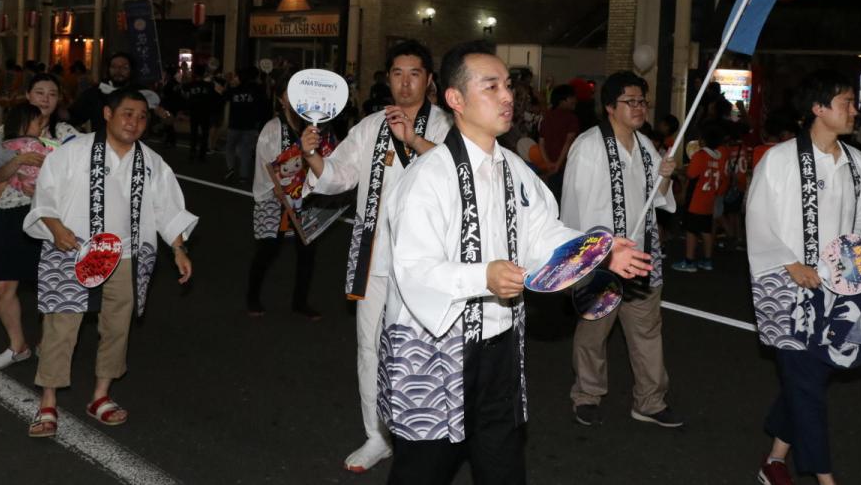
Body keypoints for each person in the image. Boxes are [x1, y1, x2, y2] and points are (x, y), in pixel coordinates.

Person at [377, 40, 652, 484]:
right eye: (492, 87)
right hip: (436, 349)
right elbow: (413, 270)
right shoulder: (426, 179)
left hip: (500, 344)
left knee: (502, 464)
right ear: (456, 99)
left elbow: (545, 233)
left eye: (507, 85)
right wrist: (483, 275)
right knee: (423, 469)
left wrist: (597, 250)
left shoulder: (515, 169)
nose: (508, 96)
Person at [300, 40, 451, 474]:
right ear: (388, 79)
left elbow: (459, 174)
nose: (405, 82)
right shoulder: (369, 127)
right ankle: (376, 435)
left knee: (425, 351)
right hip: (374, 256)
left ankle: (421, 433)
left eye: (415, 73)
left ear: (429, 80)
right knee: (370, 348)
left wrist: (415, 139)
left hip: (427, 263)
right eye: (398, 73)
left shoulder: (444, 126)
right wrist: (312, 153)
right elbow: (339, 176)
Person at [23, 89, 196, 438]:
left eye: (142, 116)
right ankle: (48, 400)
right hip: (74, 249)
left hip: (126, 255)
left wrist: (178, 248)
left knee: (117, 326)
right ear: (107, 113)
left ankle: (100, 396)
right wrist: (55, 228)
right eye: (127, 113)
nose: (135, 122)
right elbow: (46, 195)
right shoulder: (74, 151)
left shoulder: (151, 161)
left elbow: (167, 207)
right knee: (62, 324)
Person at [747, 70, 861, 485]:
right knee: (807, 384)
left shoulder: (856, 163)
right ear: (818, 109)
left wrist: (853, 254)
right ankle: (825, 478)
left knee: (813, 375)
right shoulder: (780, 159)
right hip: (786, 288)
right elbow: (757, 217)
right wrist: (789, 263)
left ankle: (774, 461)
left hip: (839, 288)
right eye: (845, 102)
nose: (854, 110)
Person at [561, 71, 682, 429]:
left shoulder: (645, 146)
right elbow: (572, 208)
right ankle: (587, 394)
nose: (639, 107)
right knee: (593, 333)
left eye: (642, 101)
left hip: (642, 256)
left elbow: (657, 200)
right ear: (610, 106)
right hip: (601, 259)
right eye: (631, 101)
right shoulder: (588, 146)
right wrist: (578, 262)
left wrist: (666, 174)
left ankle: (650, 400)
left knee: (647, 331)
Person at [0, 73, 81, 369]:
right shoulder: (7, 130)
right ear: (28, 95)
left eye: (52, 93)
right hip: (12, 209)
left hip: (52, 216)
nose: (45, 98)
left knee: (51, 285)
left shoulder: (66, 133)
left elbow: (80, 174)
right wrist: (20, 161)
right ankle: (17, 346)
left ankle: (50, 343)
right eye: (39, 92)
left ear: (59, 99)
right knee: (3, 286)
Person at [249, 74, 334, 319]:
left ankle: (300, 302)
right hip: (275, 197)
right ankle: (252, 296)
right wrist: (277, 189)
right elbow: (264, 165)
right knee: (268, 249)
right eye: (289, 93)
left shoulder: (315, 128)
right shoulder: (273, 128)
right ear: (281, 100)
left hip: (305, 198)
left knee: (307, 250)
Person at [672, 121, 727, 273]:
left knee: (691, 231)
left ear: (702, 140)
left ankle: (689, 261)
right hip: (709, 201)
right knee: (706, 231)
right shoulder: (718, 157)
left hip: (695, 200)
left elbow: (691, 174)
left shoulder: (700, 156)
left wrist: (681, 172)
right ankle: (707, 261)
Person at [67, 52, 167, 134]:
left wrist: (162, 116)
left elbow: (156, 121)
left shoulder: (141, 93)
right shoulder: (97, 92)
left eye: (124, 67)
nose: (118, 71)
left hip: (133, 146)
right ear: (108, 70)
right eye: (114, 67)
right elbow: (75, 115)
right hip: (102, 146)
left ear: (131, 71)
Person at [223, 66, 270, 184]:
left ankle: (231, 168)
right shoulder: (258, 89)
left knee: (230, 147)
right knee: (246, 151)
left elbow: (224, 97)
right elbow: (264, 105)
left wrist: (228, 84)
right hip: (250, 125)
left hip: (234, 124)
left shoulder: (235, 89)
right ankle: (243, 176)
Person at [183, 63, 222, 162]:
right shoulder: (209, 85)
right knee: (204, 134)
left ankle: (192, 153)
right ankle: (202, 155)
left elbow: (184, 91)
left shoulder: (190, 85)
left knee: (194, 134)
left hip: (194, 112)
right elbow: (217, 95)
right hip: (205, 112)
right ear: (204, 73)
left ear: (195, 74)